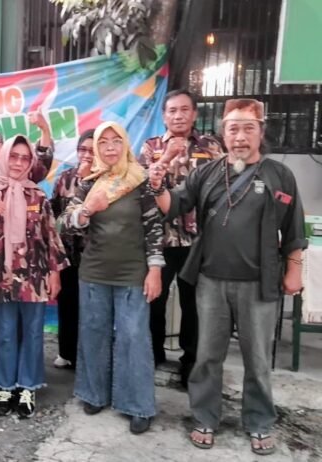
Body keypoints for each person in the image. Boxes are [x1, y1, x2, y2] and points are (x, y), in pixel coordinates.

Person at [148, 98, 307, 455]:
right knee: (207, 355)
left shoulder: (280, 175)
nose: (240, 137)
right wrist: (158, 187)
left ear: (261, 132)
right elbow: (175, 206)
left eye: (248, 128)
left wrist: (294, 269)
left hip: (259, 284)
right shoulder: (206, 172)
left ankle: (259, 421)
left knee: (258, 359)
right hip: (211, 281)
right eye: (233, 129)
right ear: (223, 133)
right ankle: (204, 416)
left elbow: (294, 227)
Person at [59, 121, 164, 435]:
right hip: (94, 273)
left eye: (115, 140)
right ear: (95, 148)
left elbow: (154, 228)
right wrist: (86, 210)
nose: (109, 147)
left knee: (134, 338)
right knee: (93, 333)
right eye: (102, 142)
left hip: (133, 273)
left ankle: (137, 405)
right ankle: (94, 394)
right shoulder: (89, 183)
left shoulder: (140, 181)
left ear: (125, 144)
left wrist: (155, 269)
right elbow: (63, 224)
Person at [0, 135, 66, 418]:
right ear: (4, 157)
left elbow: (50, 237)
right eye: (13, 156)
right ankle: (5, 385)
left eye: (25, 158)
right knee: (6, 333)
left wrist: (55, 273)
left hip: (34, 275)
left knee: (32, 333)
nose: (19, 163)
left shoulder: (38, 195)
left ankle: (27, 386)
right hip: (0, 275)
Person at [137, 89, 223, 386]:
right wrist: (165, 159)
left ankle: (191, 364)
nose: (178, 116)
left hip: (198, 242)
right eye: (172, 110)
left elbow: (222, 187)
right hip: (158, 239)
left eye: (185, 109)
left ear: (194, 114)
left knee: (194, 305)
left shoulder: (211, 147)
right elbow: (141, 187)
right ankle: (152, 355)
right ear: (164, 116)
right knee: (154, 301)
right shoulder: (151, 147)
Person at [50, 129, 95, 369]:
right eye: (82, 149)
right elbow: (55, 214)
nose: (86, 155)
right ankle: (66, 351)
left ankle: (86, 358)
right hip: (67, 255)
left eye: (92, 150)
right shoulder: (65, 178)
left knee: (90, 309)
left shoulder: (106, 181)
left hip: (94, 257)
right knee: (67, 305)